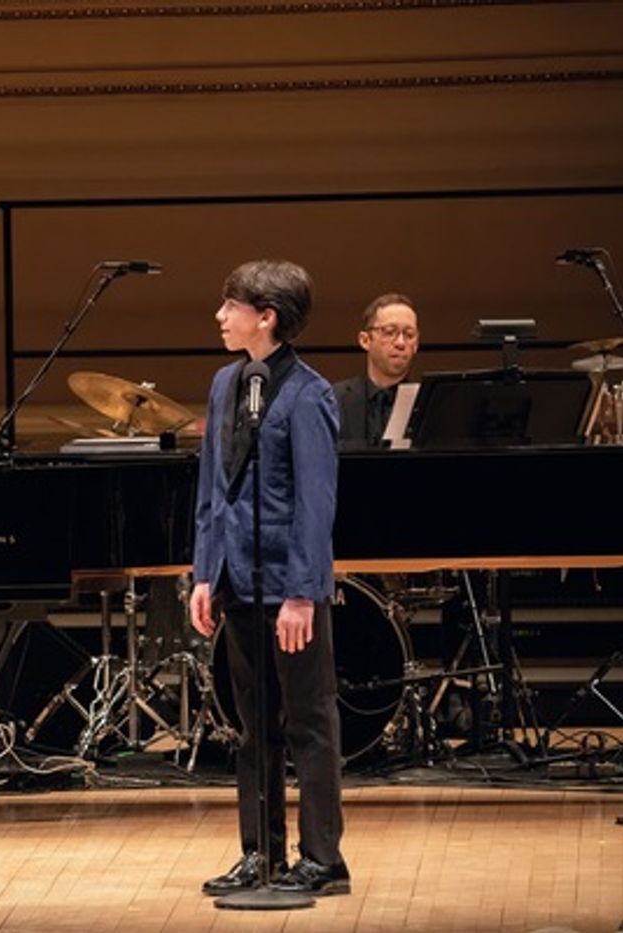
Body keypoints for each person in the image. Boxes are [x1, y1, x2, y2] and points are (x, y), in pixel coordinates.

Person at [188, 260, 349, 897]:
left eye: (230, 306)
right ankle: (260, 854)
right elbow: (211, 487)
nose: (220, 317)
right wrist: (204, 573)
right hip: (235, 578)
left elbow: (316, 501)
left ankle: (322, 859)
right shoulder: (227, 383)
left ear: (267, 317)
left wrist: (303, 592)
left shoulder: (310, 394)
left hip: (288, 585)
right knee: (254, 726)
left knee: (307, 720)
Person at [333, 293, 419, 448]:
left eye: (409, 335)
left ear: (416, 344)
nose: (400, 343)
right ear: (365, 340)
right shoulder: (334, 399)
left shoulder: (424, 402)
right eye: (389, 332)